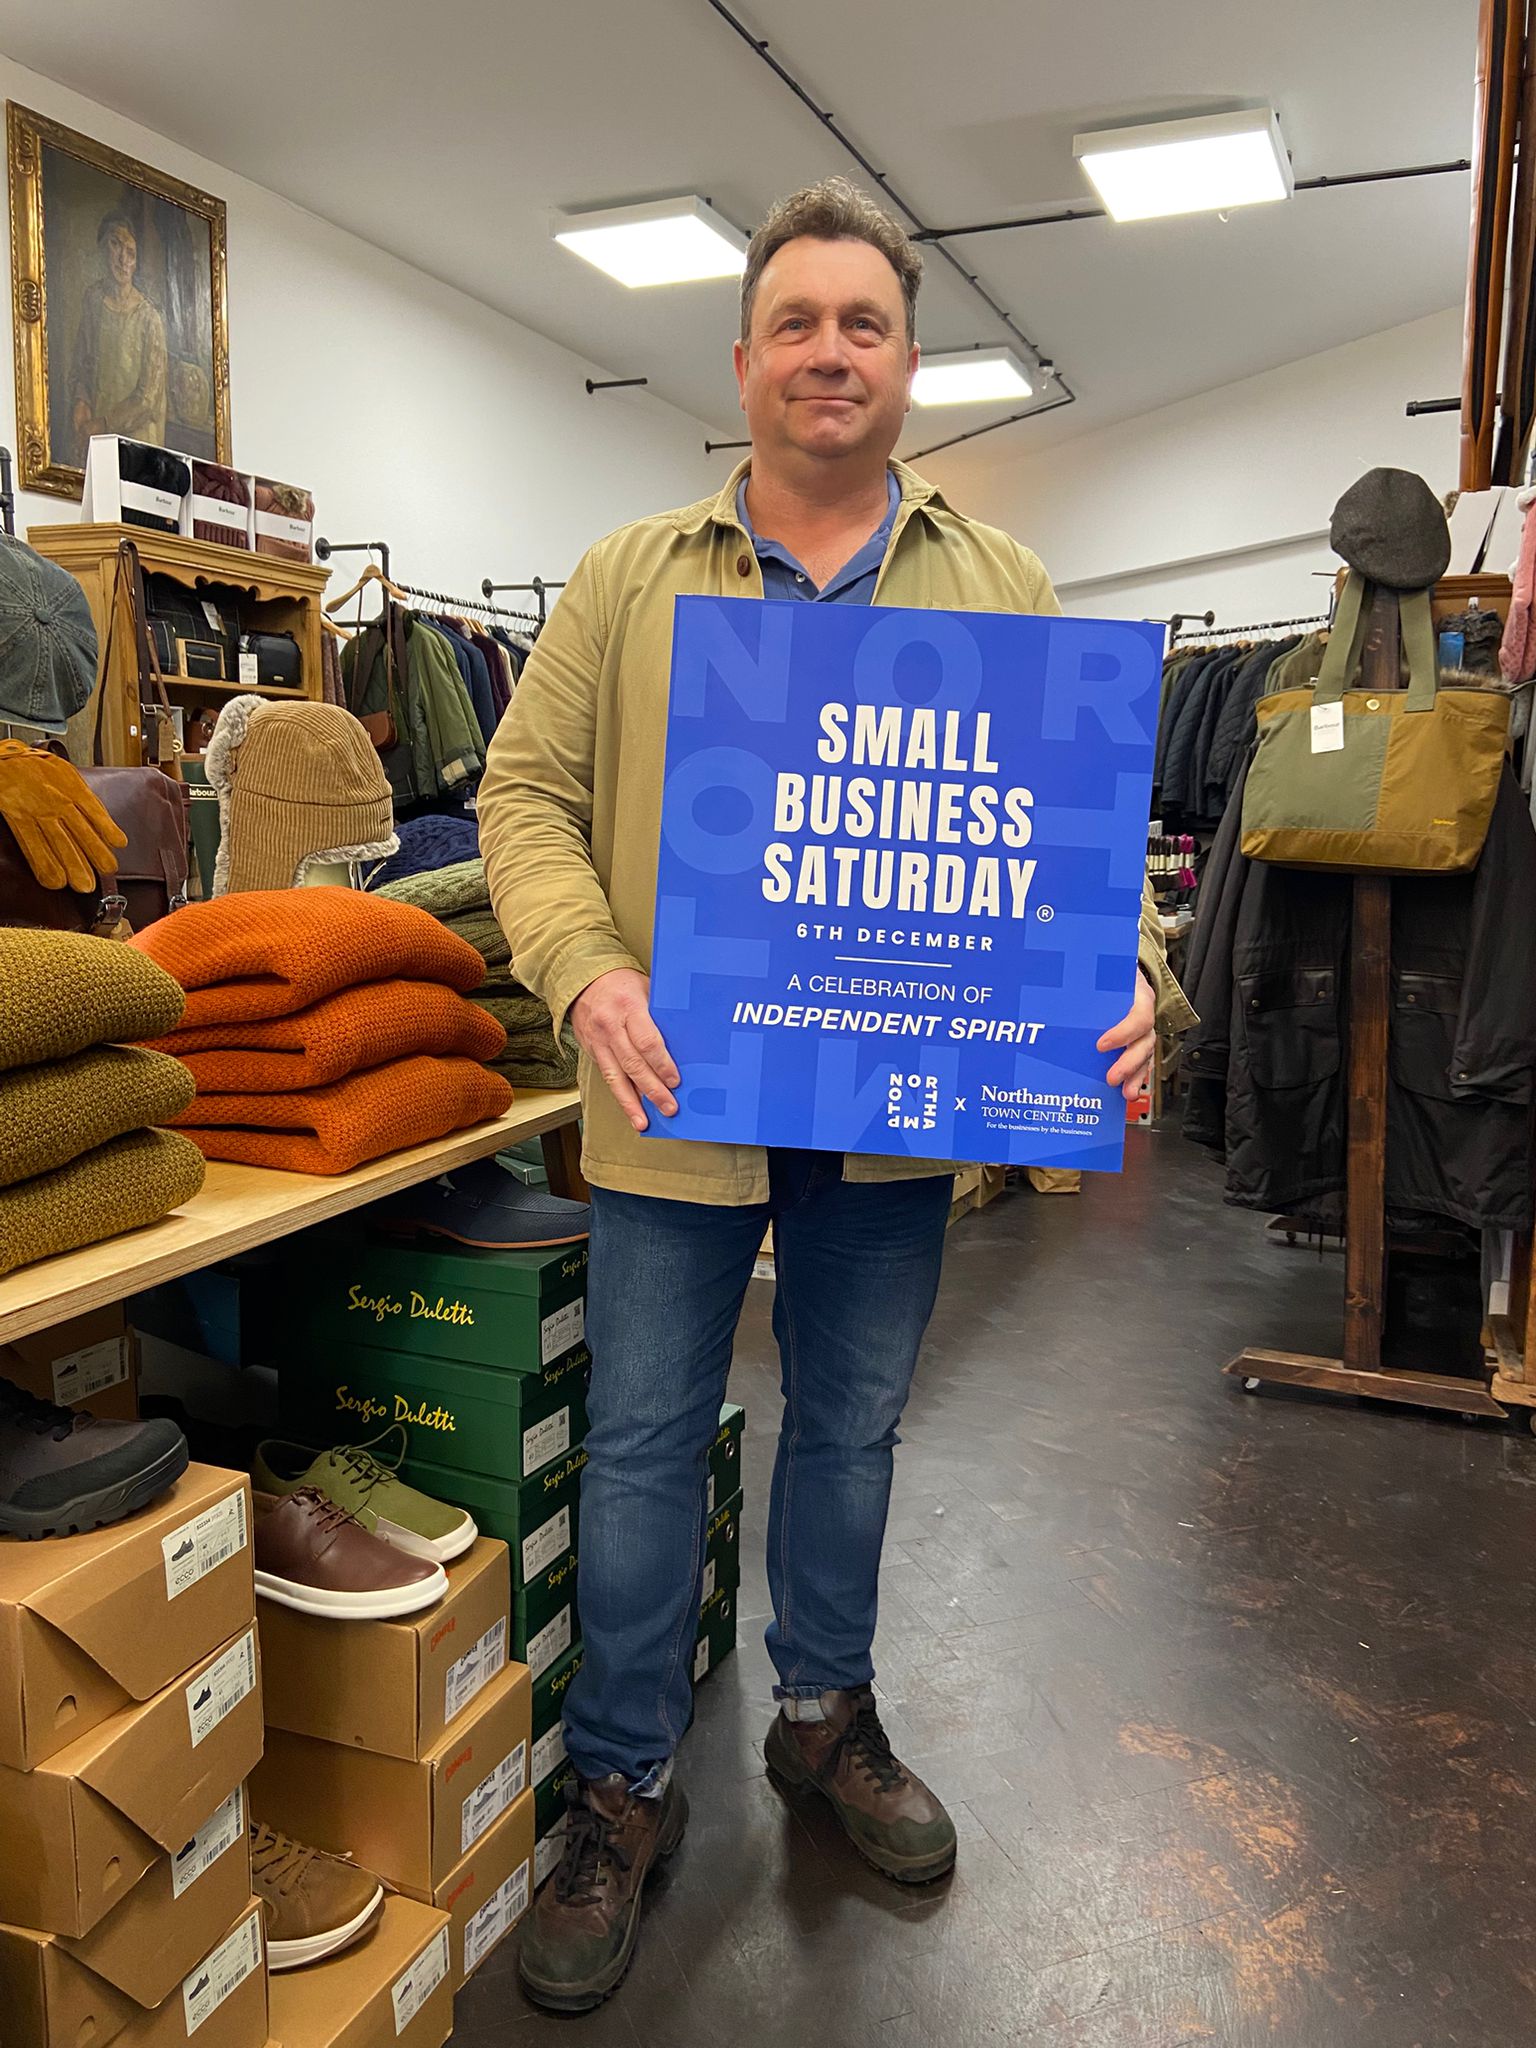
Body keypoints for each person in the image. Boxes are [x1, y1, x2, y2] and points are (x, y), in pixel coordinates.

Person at [477, 176, 1194, 2015]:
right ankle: (621, 1781)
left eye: (861, 322)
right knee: (645, 1440)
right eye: (794, 321)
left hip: (898, 1104)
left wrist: (1130, 973)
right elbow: (522, 796)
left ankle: (820, 1714)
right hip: (681, 1094)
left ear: (908, 360)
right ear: (741, 361)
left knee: (853, 1426)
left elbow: (1079, 841)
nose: (828, 350)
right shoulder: (631, 577)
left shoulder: (998, 583)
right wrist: (588, 967)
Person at [68, 212, 168, 461]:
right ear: (103, 247)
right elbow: (82, 363)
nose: (123, 259)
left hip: (136, 449)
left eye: (130, 253)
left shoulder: (149, 318)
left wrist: (103, 424)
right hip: (96, 439)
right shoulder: (93, 300)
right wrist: (81, 401)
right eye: (115, 245)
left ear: (136, 262)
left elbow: (147, 399)